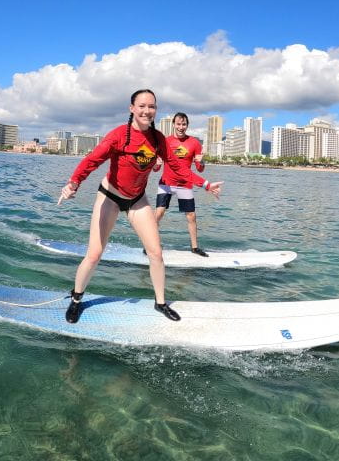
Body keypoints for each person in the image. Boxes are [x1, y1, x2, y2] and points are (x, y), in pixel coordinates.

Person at [57, 89, 223, 324]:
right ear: (132, 108)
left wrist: (205, 184)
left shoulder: (157, 139)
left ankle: (160, 302)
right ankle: (76, 298)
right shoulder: (118, 136)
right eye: (142, 106)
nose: (147, 111)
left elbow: (178, 167)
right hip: (110, 196)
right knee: (94, 254)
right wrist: (73, 183)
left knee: (156, 252)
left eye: (152, 106)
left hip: (137, 199)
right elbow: (92, 160)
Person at [153, 112, 208, 256]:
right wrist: (156, 164)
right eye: (178, 124)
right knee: (158, 213)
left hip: (185, 183)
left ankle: (195, 248)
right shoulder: (165, 142)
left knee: (191, 215)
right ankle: (150, 244)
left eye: (184, 124)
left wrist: (201, 161)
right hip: (166, 183)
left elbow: (200, 169)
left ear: (187, 125)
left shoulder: (195, 143)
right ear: (173, 125)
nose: (181, 127)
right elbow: (156, 168)